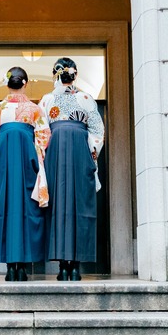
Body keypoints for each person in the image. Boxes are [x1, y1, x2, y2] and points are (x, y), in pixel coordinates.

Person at [0, 66, 51, 281]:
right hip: (27, 164)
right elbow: (43, 138)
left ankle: (10, 267)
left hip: (3, 165)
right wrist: (35, 155)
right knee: (27, 212)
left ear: (8, 84)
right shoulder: (35, 110)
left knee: (5, 210)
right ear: (25, 83)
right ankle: (22, 266)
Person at [40, 57, 105, 281]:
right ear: (74, 75)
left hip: (65, 152)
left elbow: (41, 131)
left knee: (66, 206)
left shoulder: (56, 100)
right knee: (69, 205)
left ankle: (68, 266)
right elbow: (97, 130)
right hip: (68, 153)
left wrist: (91, 154)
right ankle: (69, 265)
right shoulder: (75, 99)